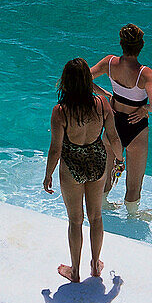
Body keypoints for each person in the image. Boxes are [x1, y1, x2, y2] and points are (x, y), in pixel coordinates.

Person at [44, 58, 123, 284]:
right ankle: (96, 265)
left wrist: (48, 174)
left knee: (75, 221)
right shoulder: (101, 104)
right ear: (88, 81)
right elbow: (114, 137)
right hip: (97, 160)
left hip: (72, 165)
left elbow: (55, 149)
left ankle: (75, 271)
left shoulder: (61, 111)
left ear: (66, 82)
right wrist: (119, 159)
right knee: (96, 217)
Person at [90, 24, 152, 213]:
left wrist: (105, 94)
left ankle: (103, 206)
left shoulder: (109, 63)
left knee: (106, 174)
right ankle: (132, 215)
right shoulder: (145, 73)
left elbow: (85, 78)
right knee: (134, 183)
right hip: (136, 127)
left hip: (113, 122)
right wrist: (144, 109)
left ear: (121, 44)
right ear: (141, 45)